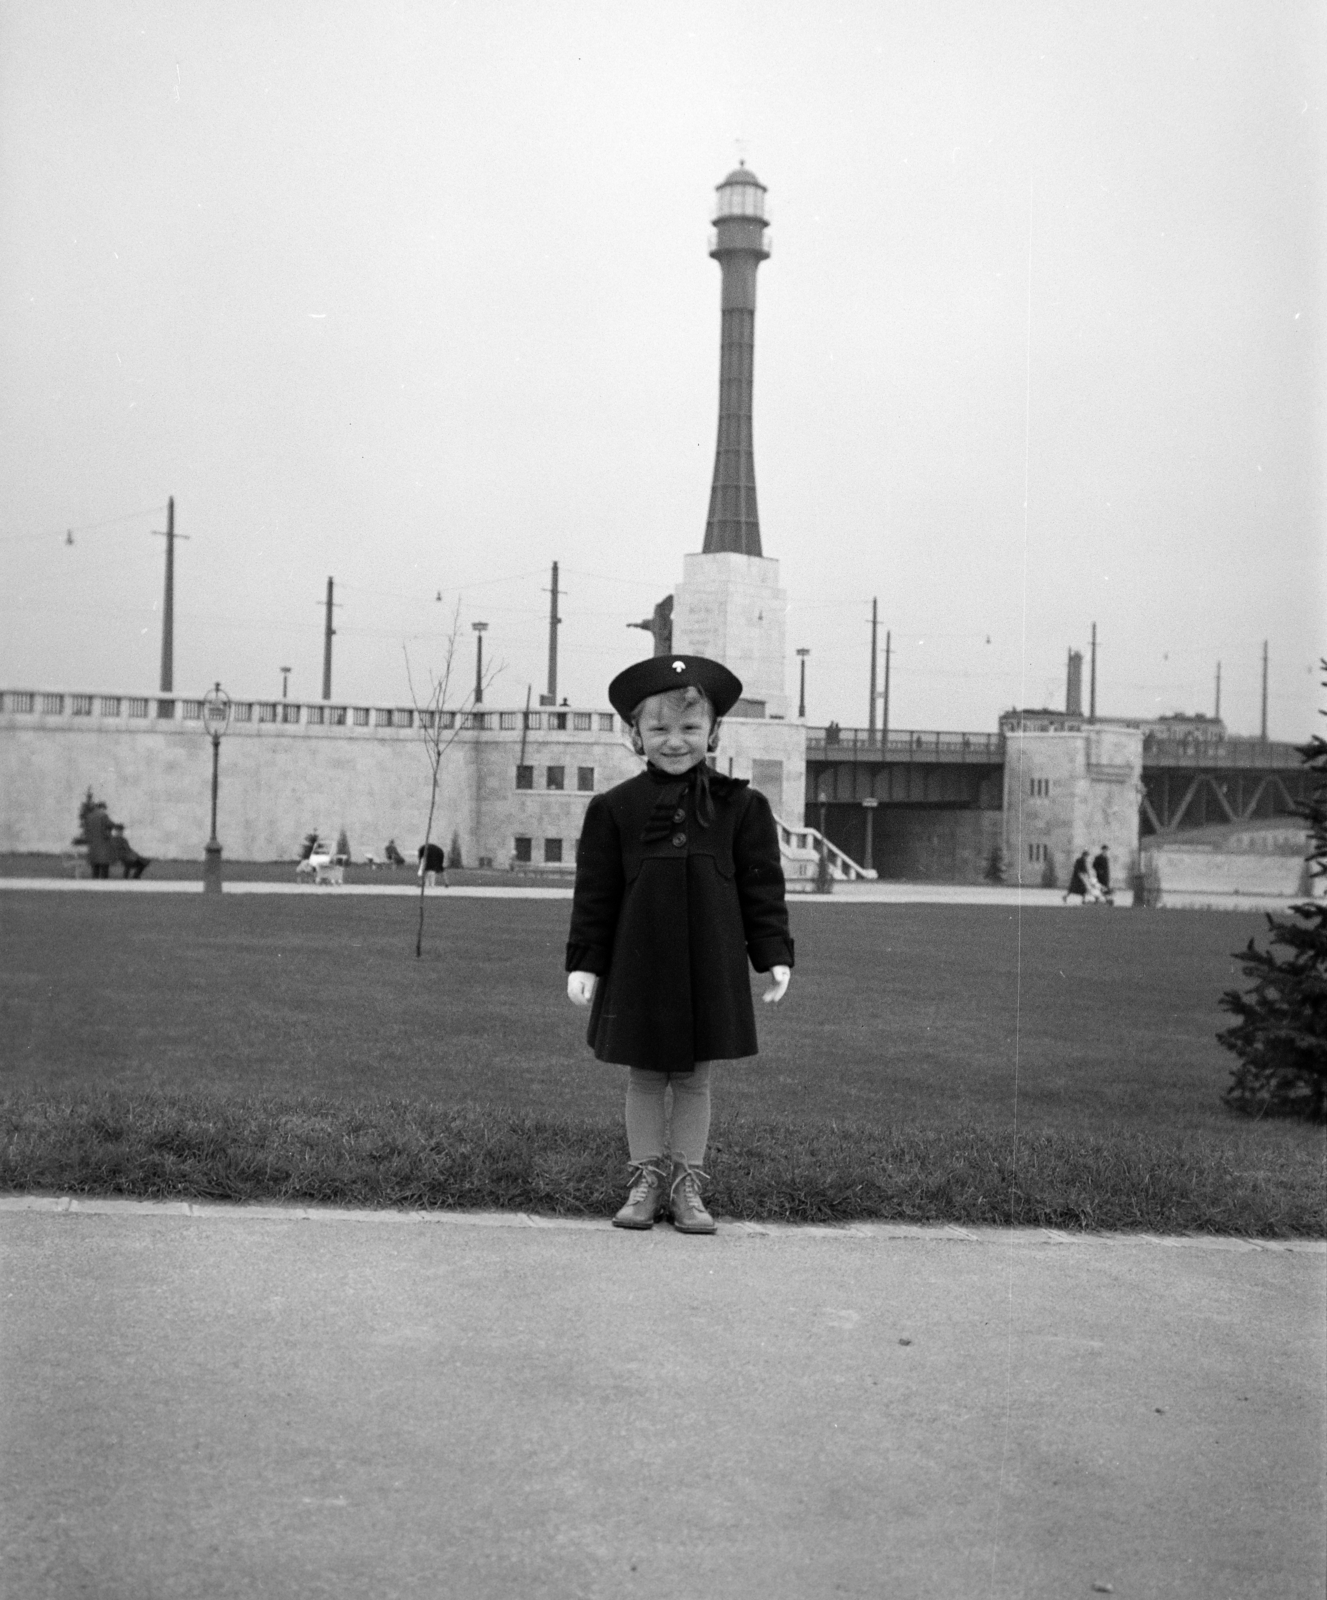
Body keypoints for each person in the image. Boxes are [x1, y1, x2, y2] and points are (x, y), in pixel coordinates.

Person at [566, 654, 793, 1235]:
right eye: (659, 729)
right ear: (634, 735)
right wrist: (585, 963)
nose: (675, 742)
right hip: (638, 964)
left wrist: (773, 955)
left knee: (694, 1077)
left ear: (713, 732)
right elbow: (596, 896)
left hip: (709, 966)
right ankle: (645, 1182)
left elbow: (762, 890)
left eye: (690, 729)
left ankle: (688, 1183)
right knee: (645, 1074)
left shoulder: (743, 807)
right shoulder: (614, 809)